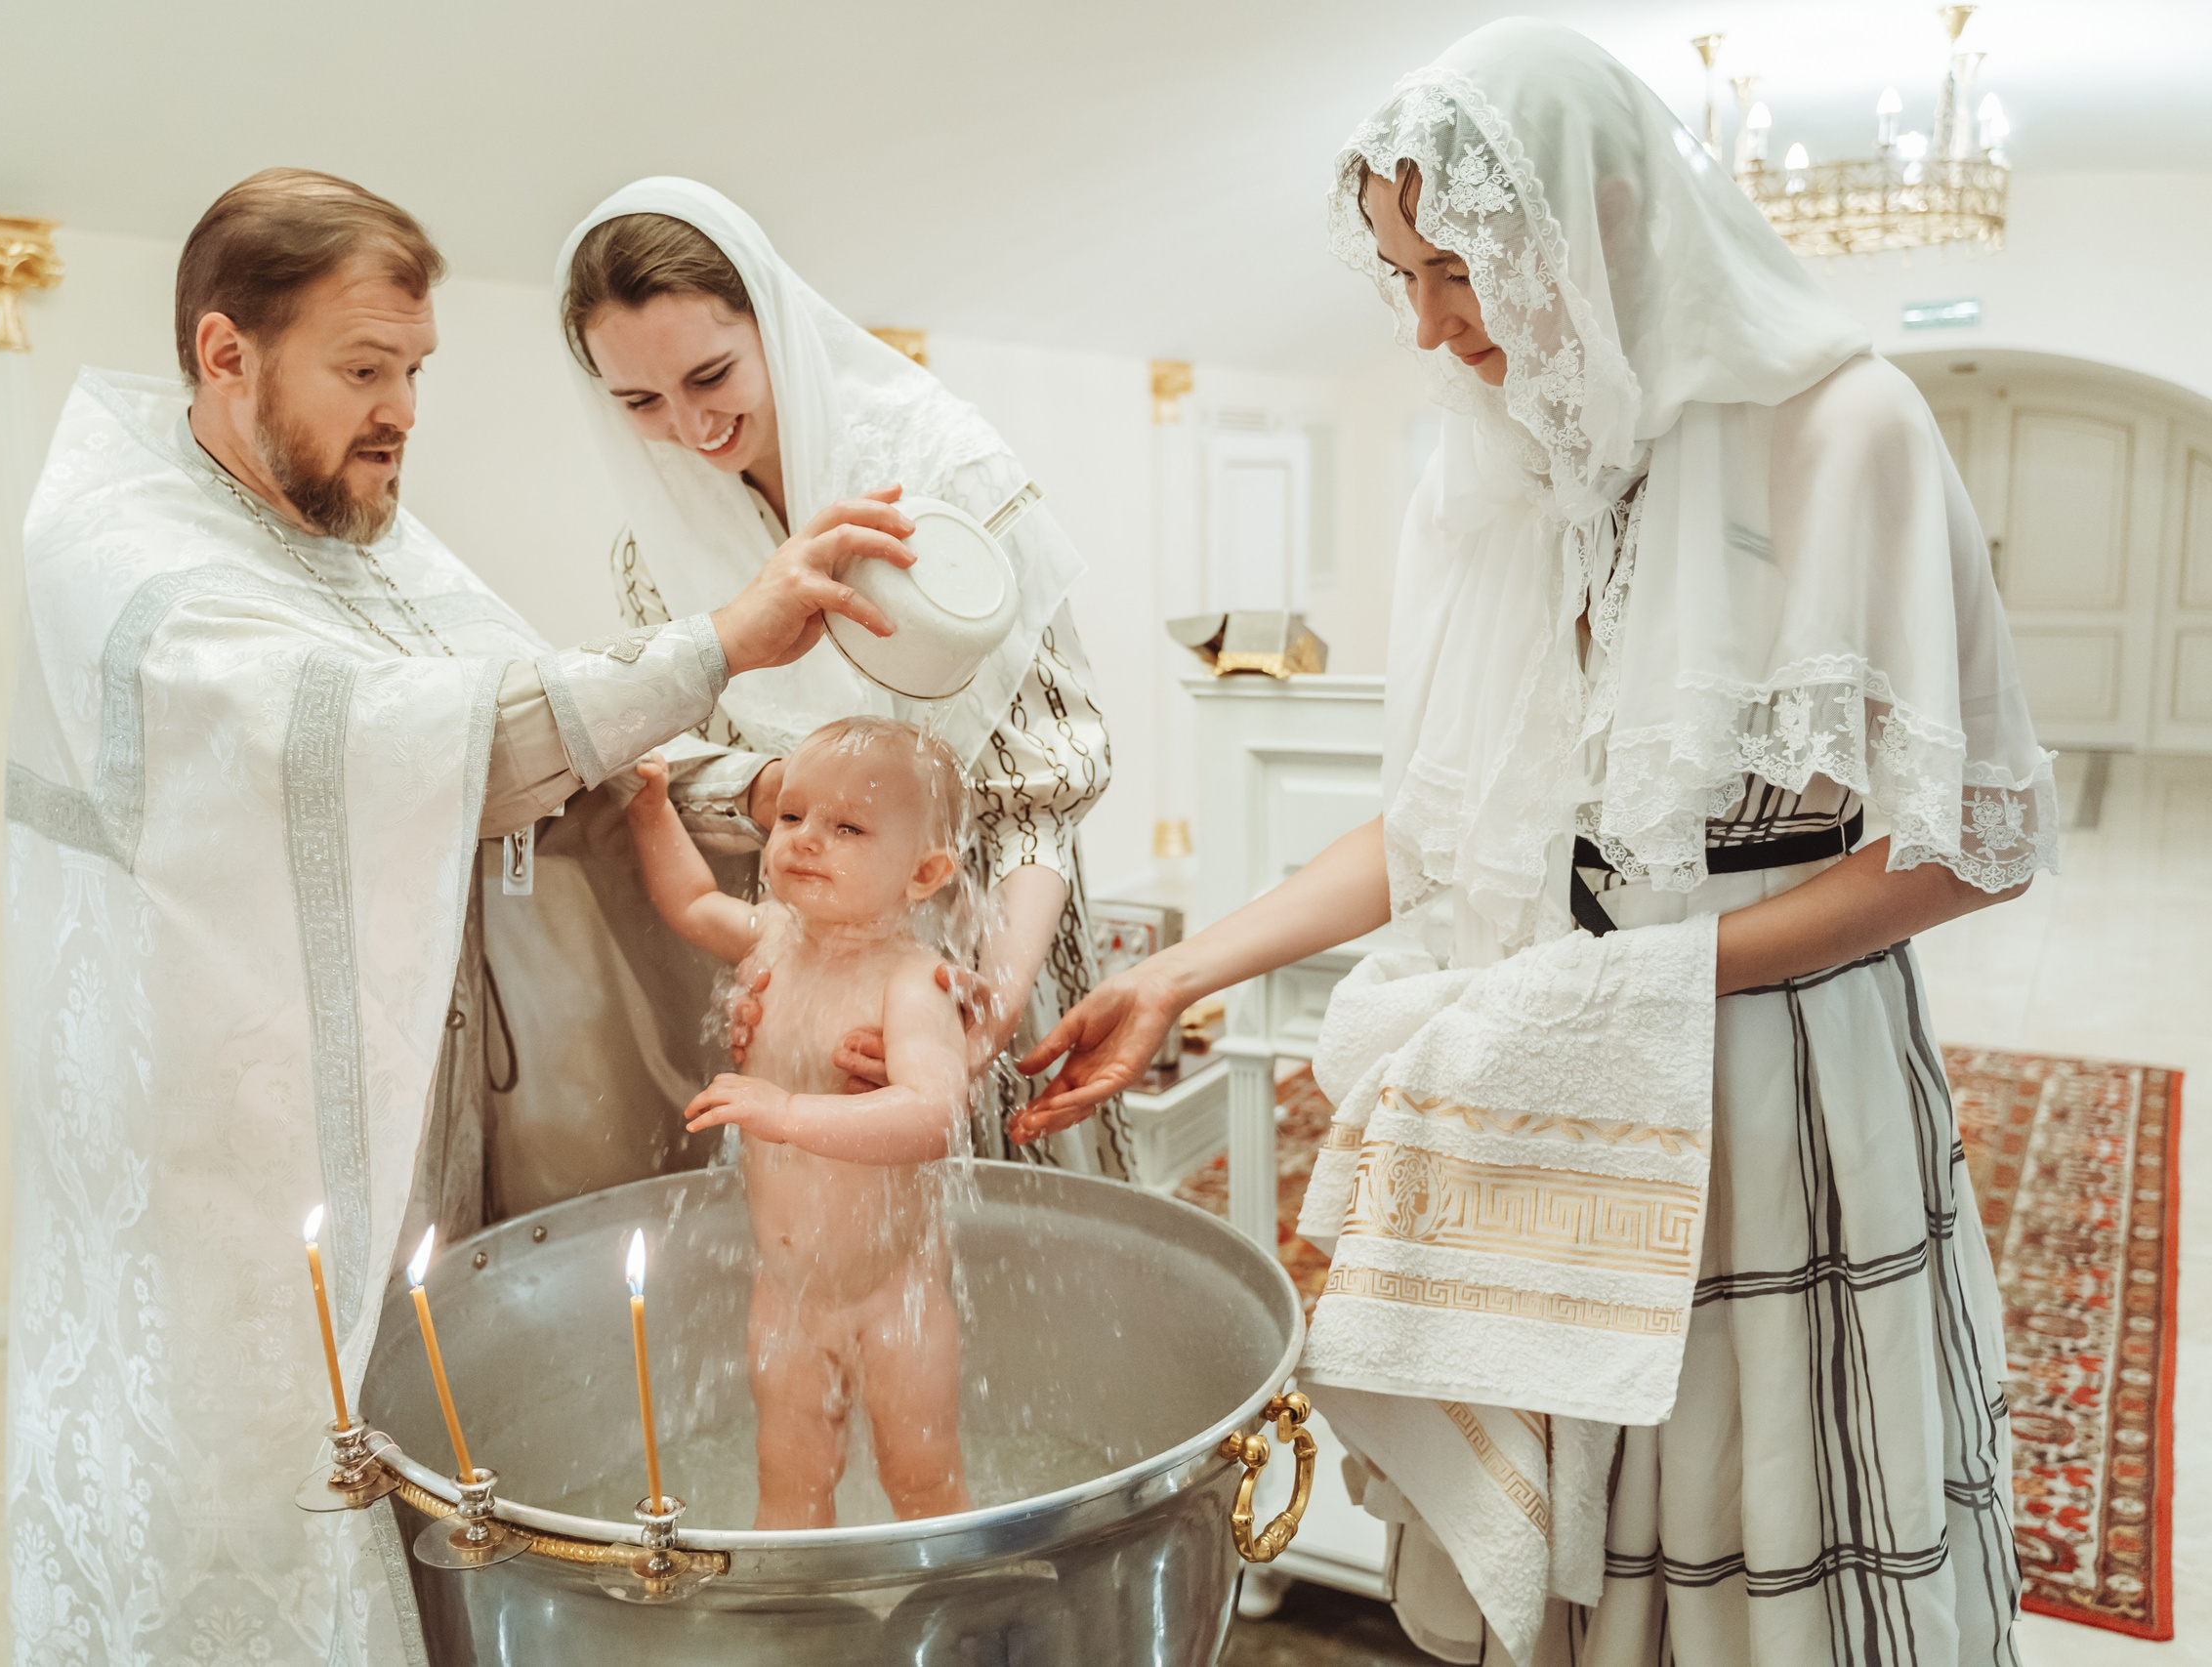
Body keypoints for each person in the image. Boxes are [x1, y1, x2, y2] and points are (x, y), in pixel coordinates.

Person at [1019, 22, 2053, 1666]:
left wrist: (1648, 982)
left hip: (1776, 1084)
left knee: (1757, 1490)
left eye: (1461, 271)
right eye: (1401, 276)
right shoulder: (1498, 464)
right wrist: (1182, 972)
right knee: (1583, 1548)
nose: (1431, 328)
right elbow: (1438, 824)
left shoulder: (1848, 431)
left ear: (1610, 215)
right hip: (1572, 1072)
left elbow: (1976, 842)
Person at [5, 168, 918, 1666]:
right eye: (364, 369)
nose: (403, 411)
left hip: (424, 1106)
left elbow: (541, 726)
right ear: (226, 354)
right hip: (248, 1146)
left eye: (415, 370)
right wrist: (720, 642)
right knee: (288, 1492)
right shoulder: (137, 569)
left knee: (454, 1467)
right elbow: (455, 747)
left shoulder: (349, 523)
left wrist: (783, 811)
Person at [554, 179, 1128, 1179]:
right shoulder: (654, 545)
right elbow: (671, 749)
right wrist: (777, 804)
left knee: (1001, 1248)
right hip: (812, 944)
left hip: (987, 925)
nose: (690, 427)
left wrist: (984, 1007)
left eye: (711, 375)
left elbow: (1041, 785)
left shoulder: (942, 481)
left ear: (774, 325)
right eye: (639, 402)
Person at [629, 718, 976, 1527]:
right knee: (788, 1482)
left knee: (922, 1484)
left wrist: (784, 1111)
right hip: (785, 1295)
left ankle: (951, 1629)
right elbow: (689, 901)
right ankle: (796, 1630)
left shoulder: (911, 980)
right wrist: (649, 809)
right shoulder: (773, 940)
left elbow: (931, 1114)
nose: (807, 840)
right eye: (791, 816)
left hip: (899, 1301)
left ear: (923, 871)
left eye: (847, 827)